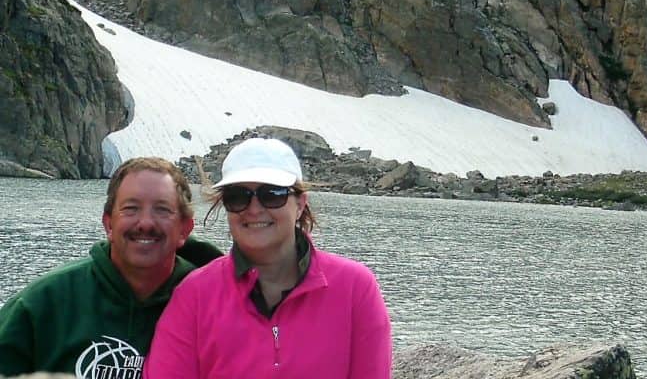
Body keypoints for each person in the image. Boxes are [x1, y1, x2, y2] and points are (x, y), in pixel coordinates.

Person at [143, 137, 392, 379]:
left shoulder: (355, 288)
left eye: (272, 194)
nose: (254, 209)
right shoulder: (193, 296)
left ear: (300, 203)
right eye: (238, 196)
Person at [0, 157, 222, 378]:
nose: (145, 223)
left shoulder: (214, 305)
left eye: (162, 210)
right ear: (108, 224)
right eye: (131, 209)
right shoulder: (41, 304)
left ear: (185, 228)